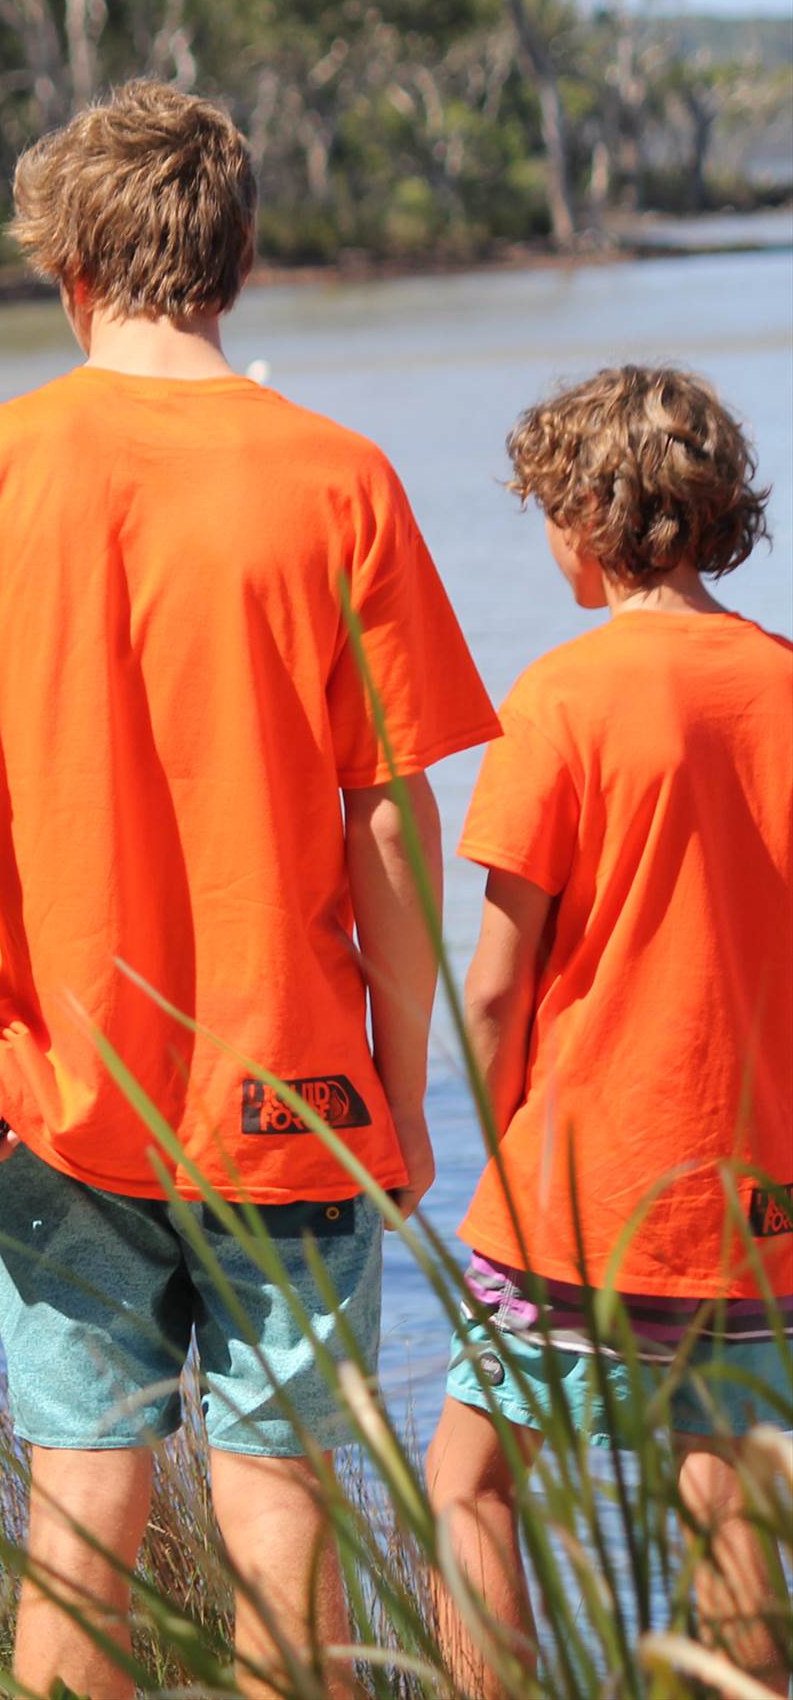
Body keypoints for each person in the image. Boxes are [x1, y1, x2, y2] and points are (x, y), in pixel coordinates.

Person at [0, 82, 496, 1698]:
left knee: (81, 1511)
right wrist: (395, 1084)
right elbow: (395, 821)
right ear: (240, 257)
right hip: (293, 1089)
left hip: (51, 1088)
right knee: (284, 1504)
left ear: (68, 266)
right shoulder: (340, 477)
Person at [426, 368, 788, 1691]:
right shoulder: (786, 685)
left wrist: (499, 1140)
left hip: (582, 1187)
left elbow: (491, 987)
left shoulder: (558, 699)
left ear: (587, 518)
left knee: (468, 1479)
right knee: (732, 1490)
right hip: (760, 1193)